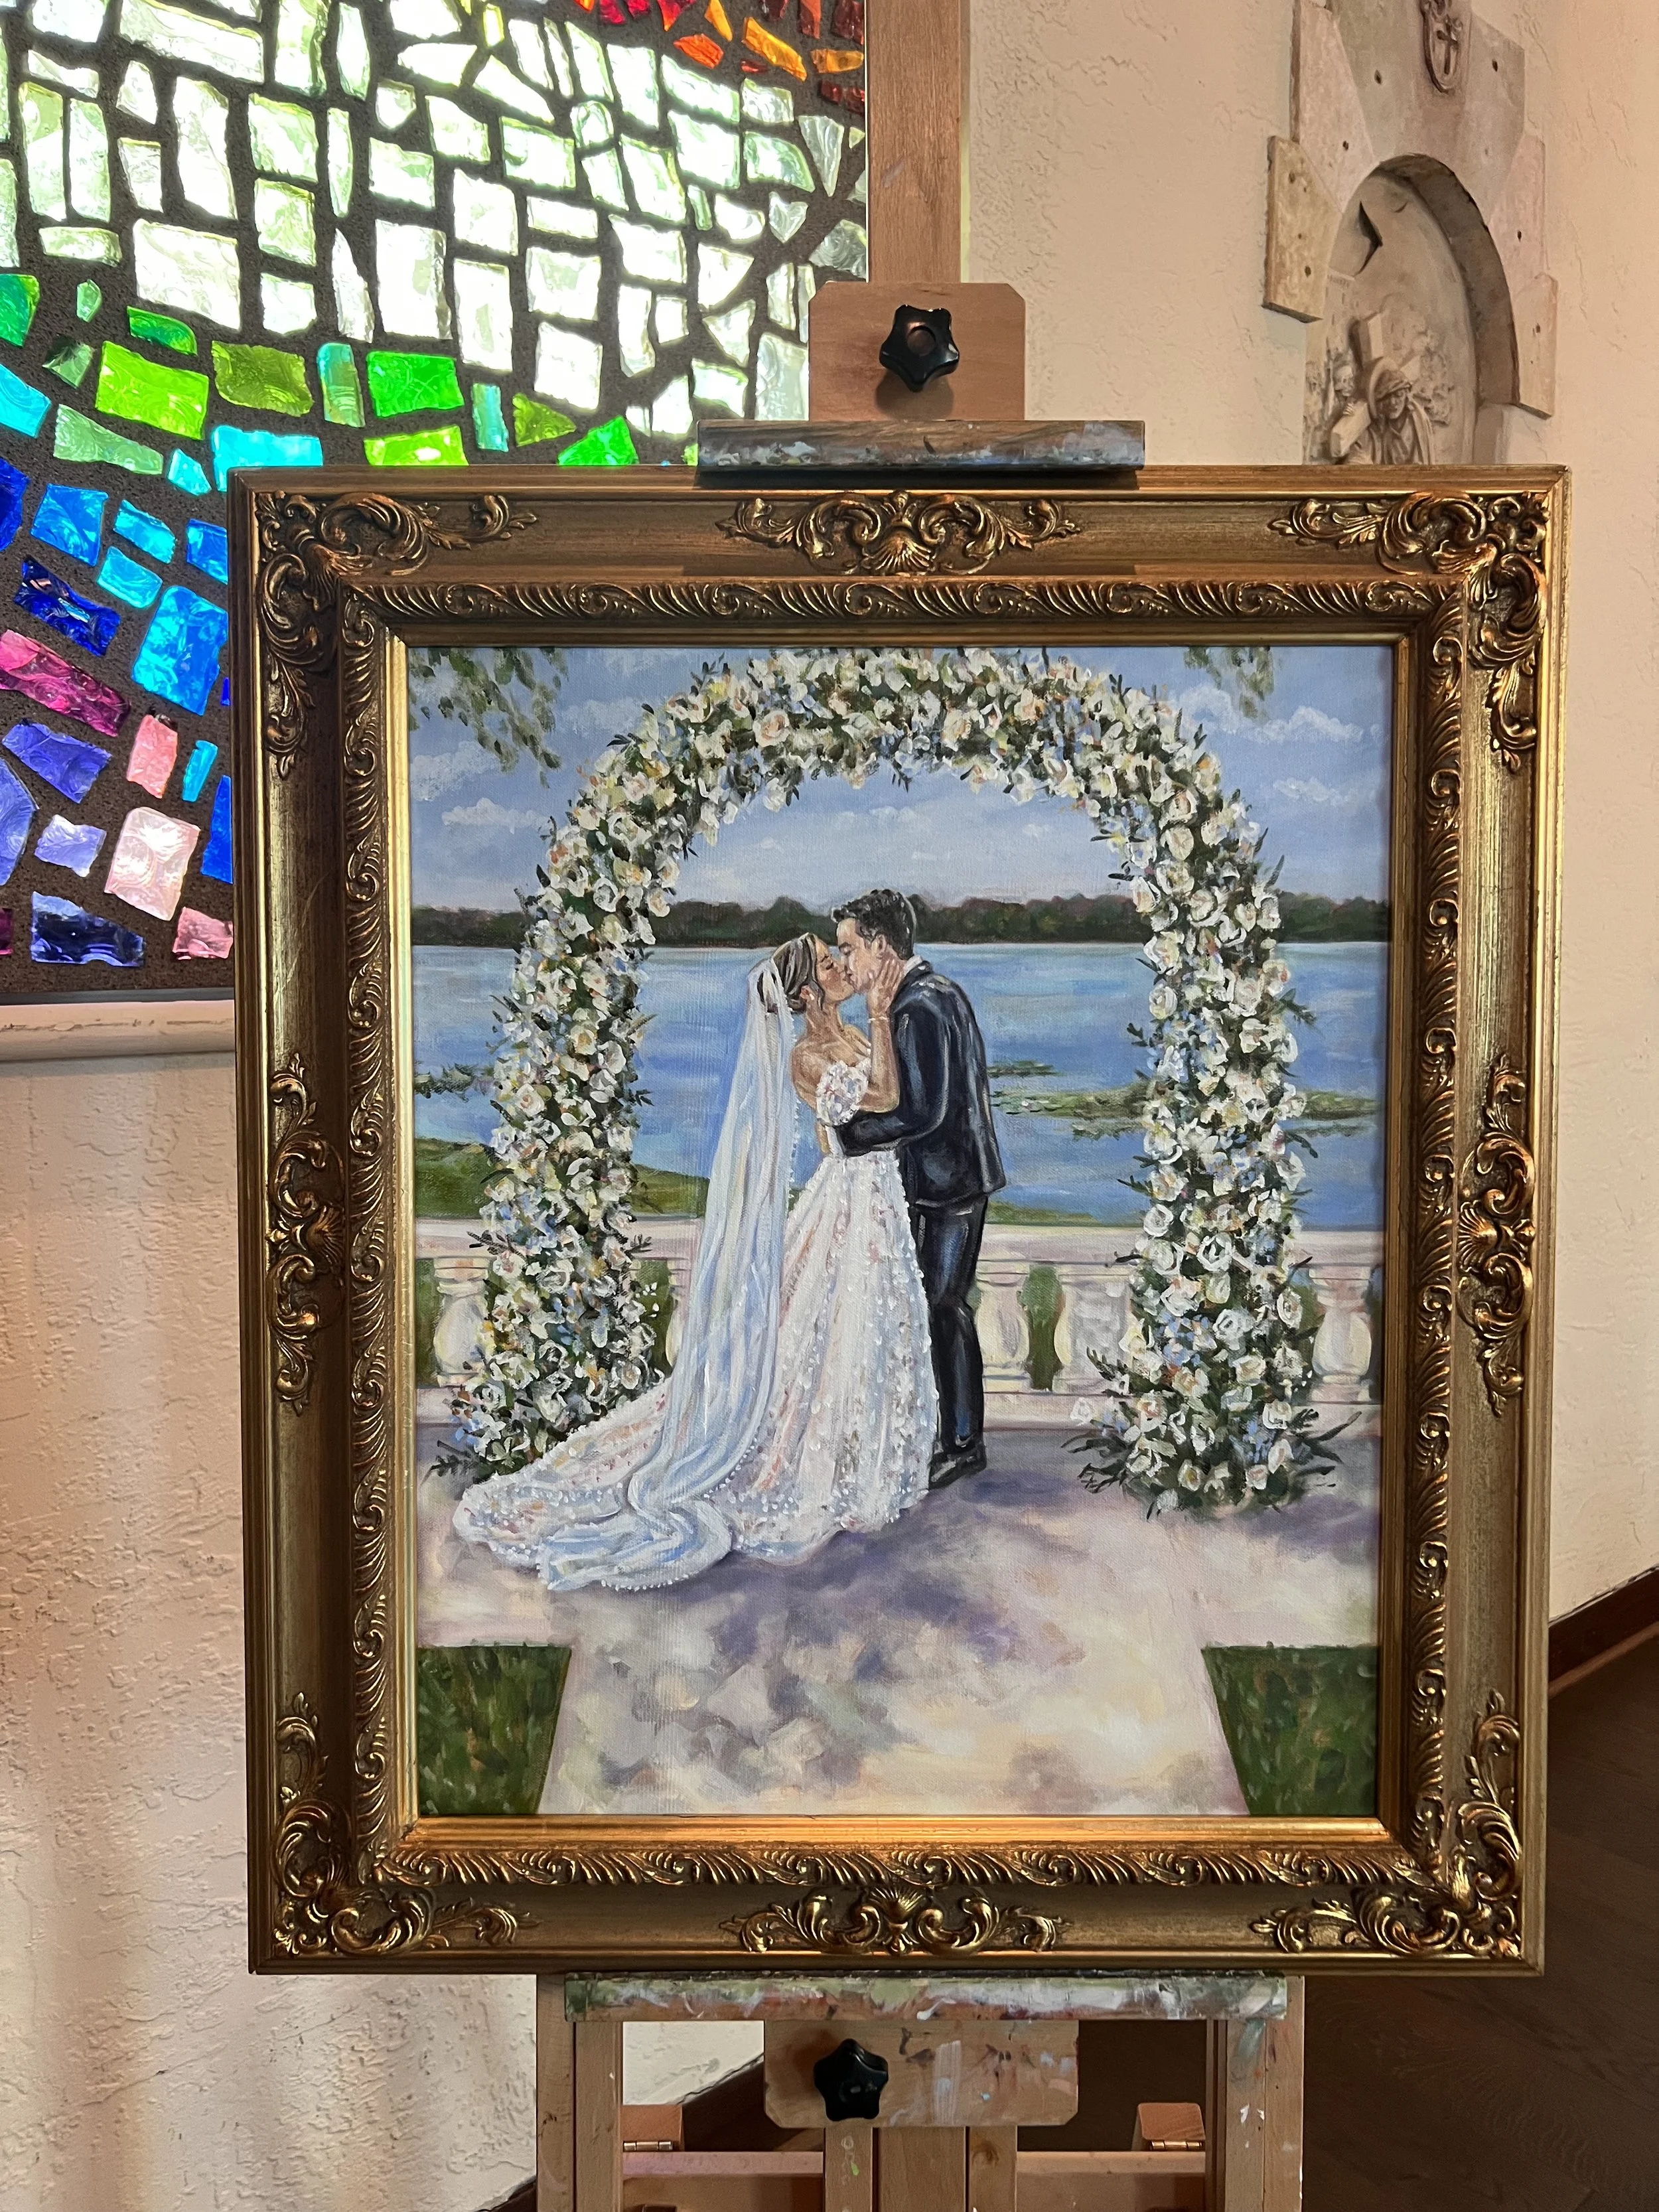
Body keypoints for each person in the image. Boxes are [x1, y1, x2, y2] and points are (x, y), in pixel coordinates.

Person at [452, 936, 937, 1591]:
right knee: (828, 1325)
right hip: (848, 1198)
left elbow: (898, 1106)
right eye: (826, 965)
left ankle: (866, 1454)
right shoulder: (808, 1054)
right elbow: (881, 1100)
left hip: (877, 1197)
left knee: (866, 1328)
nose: (841, 969)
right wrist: (883, 1013)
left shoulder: (850, 1033)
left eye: (835, 957)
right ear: (802, 996)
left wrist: (878, 1024)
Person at [832, 889, 1007, 1488]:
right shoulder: (937, 993)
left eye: (851, 948)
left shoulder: (919, 1007)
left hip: (949, 1185)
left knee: (944, 1306)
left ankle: (962, 1441)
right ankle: (951, 1432)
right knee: (940, 1306)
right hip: (952, 1179)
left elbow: (923, 1111)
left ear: (882, 946)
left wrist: (852, 1133)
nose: (846, 962)